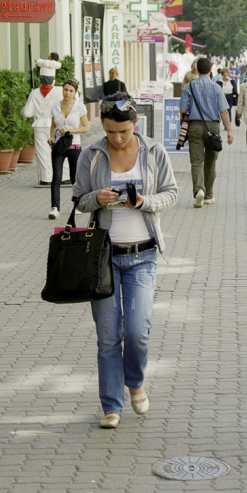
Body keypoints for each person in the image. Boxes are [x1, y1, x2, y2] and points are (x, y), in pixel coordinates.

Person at [73, 94, 177, 429]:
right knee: (108, 336)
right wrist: (97, 198)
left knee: (137, 331)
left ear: (135, 124)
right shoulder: (91, 154)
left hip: (142, 255)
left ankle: (135, 382)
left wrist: (145, 200)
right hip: (102, 258)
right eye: (111, 131)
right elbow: (79, 199)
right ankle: (111, 406)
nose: (117, 138)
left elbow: (172, 193)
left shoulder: (153, 151)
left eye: (124, 131)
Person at [179, 58, 234, 207]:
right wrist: (229, 131)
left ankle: (198, 191)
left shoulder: (189, 87)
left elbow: (183, 110)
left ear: (196, 70)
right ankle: (209, 195)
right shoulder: (216, 87)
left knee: (196, 162)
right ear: (211, 70)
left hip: (195, 126)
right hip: (213, 128)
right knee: (211, 162)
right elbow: (224, 111)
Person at [48, 79, 90, 219]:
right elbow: (53, 125)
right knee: (57, 177)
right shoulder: (55, 106)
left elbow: (86, 127)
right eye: (66, 89)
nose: (68, 93)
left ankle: (77, 204)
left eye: (71, 91)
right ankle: (55, 208)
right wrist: (52, 137)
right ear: (62, 90)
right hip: (60, 146)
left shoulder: (79, 107)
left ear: (75, 92)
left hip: (74, 146)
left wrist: (70, 131)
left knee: (74, 178)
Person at [23, 65, 64, 186]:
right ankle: (64, 176)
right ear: (53, 79)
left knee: (43, 152)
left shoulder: (34, 93)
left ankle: (46, 178)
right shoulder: (60, 91)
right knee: (61, 150)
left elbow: (27, 113)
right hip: (56, 124)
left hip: (40, 124)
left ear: (41, 78)